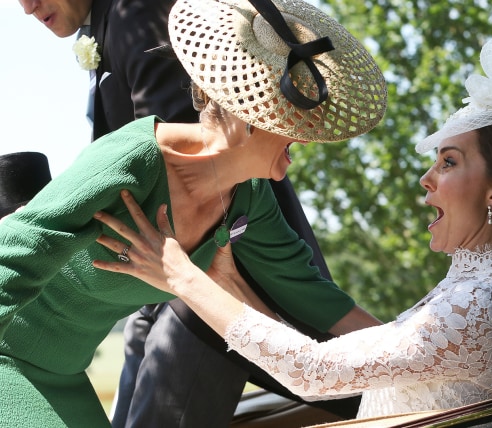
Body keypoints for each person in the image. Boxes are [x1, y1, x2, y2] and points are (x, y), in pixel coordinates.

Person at [93, 38, 492, 417]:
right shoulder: (474, 290)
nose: (426, 180)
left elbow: (311, 371)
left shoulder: (482, 302)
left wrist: (182, 276)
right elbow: (325, 361)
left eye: (448, 162)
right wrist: (229, 282)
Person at [0, 0, 388, 425]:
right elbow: (14, 247)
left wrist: (419, 348)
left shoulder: (249, 200)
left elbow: (320, 302)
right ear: (247, 116)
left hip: (65, 372)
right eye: (295, 123)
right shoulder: (132, 157)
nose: (310, 140)